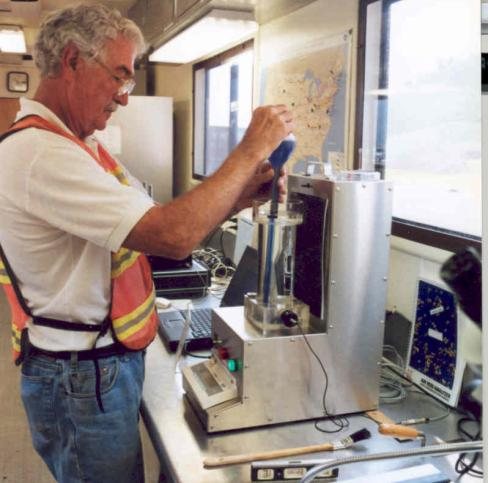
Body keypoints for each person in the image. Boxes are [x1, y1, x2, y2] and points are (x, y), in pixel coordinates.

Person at [0, 3, 292, 483]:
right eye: (119, 76)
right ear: (72, 61)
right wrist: (251, 148)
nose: (125, 97)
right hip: (81, 375)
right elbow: (173, 237)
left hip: (98, 365)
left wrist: (241, 197)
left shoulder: (82, 147)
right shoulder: (39, 152)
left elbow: (157, 221)